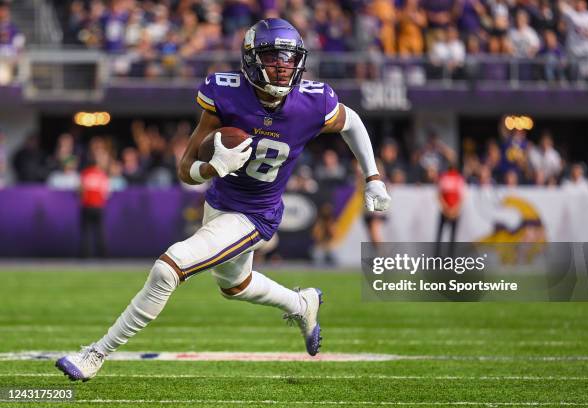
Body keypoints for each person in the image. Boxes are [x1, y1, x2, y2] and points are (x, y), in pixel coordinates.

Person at [56, 18, 391, 381]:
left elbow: (352, 121)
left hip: (255, 214)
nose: (283, 66)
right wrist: (213, 167)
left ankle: (96, 353)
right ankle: (301, 303)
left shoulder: (312, 101)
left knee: (168, 268)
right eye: (273, 56)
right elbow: (186, 170)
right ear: (251, 59)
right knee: (235, 285)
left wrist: (372, 176)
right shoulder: (225, 93)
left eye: (289, 57)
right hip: (219, 201)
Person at [434, 162, 465, 257]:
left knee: (442, 235)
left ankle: (441, 256)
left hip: (448, 210)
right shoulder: (458, 179)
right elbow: (462, 196)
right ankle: (448, 256)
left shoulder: (445, 178)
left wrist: (447, 208)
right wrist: (452, 209)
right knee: (450, 235)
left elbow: (439, 195)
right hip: (450, 210)